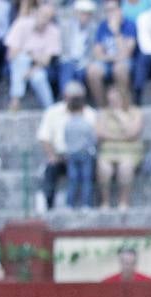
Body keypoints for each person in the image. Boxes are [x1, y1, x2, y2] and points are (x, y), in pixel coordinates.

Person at [37, 78, 97, 210]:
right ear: (65, 96)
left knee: (89, 171)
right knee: (50, 168)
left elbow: (95, 138)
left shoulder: (90, 114)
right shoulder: (52, 112)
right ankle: (49, 205)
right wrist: (52, 156)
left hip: (84, 155)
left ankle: (88, 203)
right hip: (60, 156)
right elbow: (44, 137)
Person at [5, 1, 60, 111]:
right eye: (43, 16)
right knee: (21, 60)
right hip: (17, 64)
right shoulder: (21, 24)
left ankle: (49, 108)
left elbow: (46, 61)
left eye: (48, 18)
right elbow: (11, 54)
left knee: (38, 77)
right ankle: (16, 100)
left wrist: (31, 67)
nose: (45, 21)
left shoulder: (54, 31)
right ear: (35, 13)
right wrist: (30, 55)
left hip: (39, 68)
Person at [95, 80, 142, 209]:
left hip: (129, 151)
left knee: (125, 168)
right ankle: (105, 203)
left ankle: (124, 202)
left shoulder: (134, 112)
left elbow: (132, 133)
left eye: (115, 99)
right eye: (110, 100)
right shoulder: (103, 113)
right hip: (108, 151)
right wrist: (121, 137)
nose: (112, 102)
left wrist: (119, 116)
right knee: (104, 169)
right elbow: (100, 134)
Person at [86, 0, 135, 108]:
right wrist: (113, 57)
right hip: (107, 61)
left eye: (112, 10)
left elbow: (127, 53)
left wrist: (116, 31)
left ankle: (125, 106)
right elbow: (98, 53)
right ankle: (103, 107)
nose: (110, 13)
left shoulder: (129, 25)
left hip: (124, 62)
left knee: (119, 69)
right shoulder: (102, 26)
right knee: (93, 71)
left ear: (120, 10)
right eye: (107, 11)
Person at [61, 79, 96, 208]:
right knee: (86, 179)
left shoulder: (68, 124)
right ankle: (86, 204)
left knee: (73, 179)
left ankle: (69, 204)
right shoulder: (86, 124)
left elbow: (66, 139)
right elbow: (92, 139)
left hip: (72, 154)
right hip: (85, 153)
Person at [56, 0, 96, 95]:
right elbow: (61, 46)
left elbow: (92, 51)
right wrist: (66, 57)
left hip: (83, 61)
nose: (84, 17)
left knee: (80, 73)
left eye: (87, 14)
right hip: (67, 59)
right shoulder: (66, 27)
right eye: (82, 13)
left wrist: (86, 61)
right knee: (68, 68)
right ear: (76, 13)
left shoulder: (93, 29)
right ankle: (66, 98)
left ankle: (78, 100)